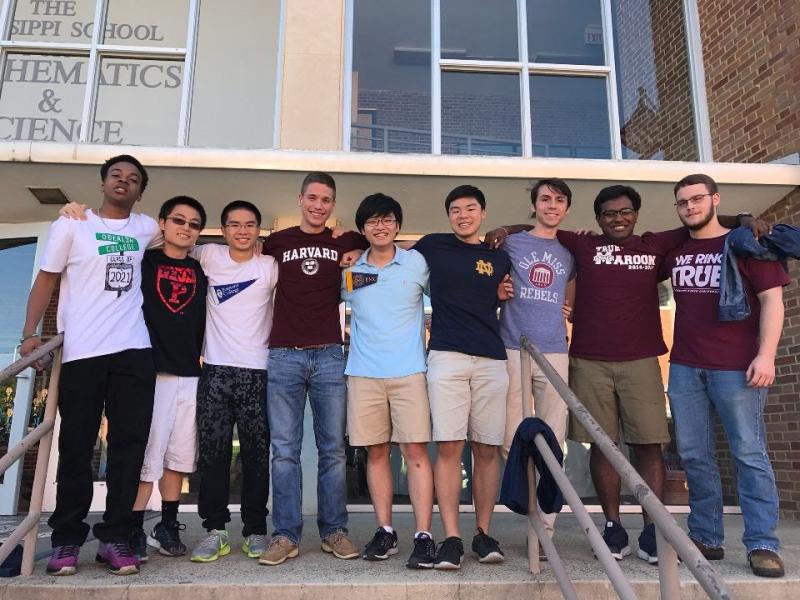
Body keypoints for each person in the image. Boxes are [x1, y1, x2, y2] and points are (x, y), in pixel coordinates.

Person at [485, 185, 761, 564]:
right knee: (604, 444)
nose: (618, 218)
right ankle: (613, 526)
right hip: (589, 360)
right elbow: (541, 226)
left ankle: (651, 529)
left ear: (636, 214)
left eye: (625, 211)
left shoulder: (655, 245)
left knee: (648, 445)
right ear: (598, 219)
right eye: (609, 213)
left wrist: (744, 219)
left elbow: (704, 222)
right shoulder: (581, 245)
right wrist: (505, 227)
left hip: (643, 359)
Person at [21, 155, 159, 576]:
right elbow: (46, 278)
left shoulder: (145, 227)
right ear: (103, 183)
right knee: (77, 448)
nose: (124, 182)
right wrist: (30, 334)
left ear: (140, 191)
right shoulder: (72, 225)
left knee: (128, 447)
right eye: (117, 175)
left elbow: (180, 240)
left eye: (133, 179)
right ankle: (65, 541)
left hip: (134, 349)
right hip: (83, 352)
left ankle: (115, 537)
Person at [665, 174, 788, 578]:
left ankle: (763, 543)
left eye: (698, 199)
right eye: (683, 202)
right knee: (696, 455)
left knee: (748, 453)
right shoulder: (677, 248)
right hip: (684, 367)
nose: (690, 207)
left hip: (737, 367)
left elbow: (773, 302)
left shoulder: (746, 243)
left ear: (715, 199)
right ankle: (706, 536)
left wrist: (766, 356)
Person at [258, 172, 368, 566]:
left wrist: (352, 243)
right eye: (313, 198)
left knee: (332, 450)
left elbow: (371, 240)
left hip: (328, 356)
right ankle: (285, 534)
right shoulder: (277, 242)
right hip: (284, 355)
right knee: (284, 450)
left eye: (326, 200)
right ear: (300, 199)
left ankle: (334, 531)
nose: (319, 205)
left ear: (332, 206)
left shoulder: (344, 241)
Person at [413, 185, 512, 570]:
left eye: (470, 208)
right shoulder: (433, 246)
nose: (462, 215)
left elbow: (534, 232)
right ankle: (452, 536)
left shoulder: (499, 256)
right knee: (450, 447)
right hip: (447, 356)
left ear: (483, 214)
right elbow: (388, 252)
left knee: (487, 449)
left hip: (491, 358)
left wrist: (509, 227)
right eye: (455, 209)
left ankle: (483, 532)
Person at [341, 193, 436, 568]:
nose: (380, 227)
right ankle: (385, 531)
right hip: (363, 373)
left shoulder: (417, 264)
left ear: (397, 224)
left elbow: (447, 296)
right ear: (362, 229)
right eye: (372, 221)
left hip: (410, 371)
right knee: (376, 453)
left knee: (415, 454)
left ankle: (424, 535)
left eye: (387, 219)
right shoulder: (351, 270)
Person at [189, 200, 278, 563]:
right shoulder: (208, 255)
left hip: (258, 372)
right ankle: (215, 530)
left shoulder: (269, 266)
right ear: (223, 230)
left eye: (250, 224)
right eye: (234, 224)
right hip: (215, 371)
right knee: (214, 454)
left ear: (259, 230)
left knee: (257, 456)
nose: (242, 231)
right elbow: (161, 242)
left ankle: (256, 530)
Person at [128, 196, 208, 561]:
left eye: (194, 224)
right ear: (161, 222)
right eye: (179, 220)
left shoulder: (201, 270)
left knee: (178, 456)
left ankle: (167, 525)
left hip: (190, 372)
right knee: (149, 455)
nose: (186, 228)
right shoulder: (143, 262)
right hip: (152, 371)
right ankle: (131, 528)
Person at [498, 179, 575, 545]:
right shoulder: (512, 242)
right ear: (534, 205)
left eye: (559, 200)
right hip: (513, 345)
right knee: (510, 437)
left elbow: (576, 284)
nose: (552, 205)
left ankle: (544, 530)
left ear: (567, 208)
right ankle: (526, 506)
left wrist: (571, 306)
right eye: (545, 199)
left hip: (554, 350)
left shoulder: (571, 247)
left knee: (553, 439)